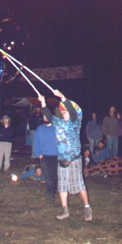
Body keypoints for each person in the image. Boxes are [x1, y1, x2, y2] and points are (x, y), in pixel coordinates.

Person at [40, 90, 92, 221]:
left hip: (74, 160)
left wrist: (62, 96)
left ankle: (87, 208)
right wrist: (43, 103)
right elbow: (49, 116)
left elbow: (72, 111)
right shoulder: (58, 123)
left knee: (79, 185)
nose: (65, 113)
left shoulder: (75, 122)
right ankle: (64, 210)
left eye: (67, 111)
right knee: (62, 185)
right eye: (63, 112)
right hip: (62, 160)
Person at [33, 114, 58, 200]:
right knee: (47, 176)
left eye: (47, 116)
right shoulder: (40, 129)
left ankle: (56, 190)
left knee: (55, 175)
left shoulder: (57, 128)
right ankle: (50, 194)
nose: (45, 117)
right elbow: (36, 142)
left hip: (56, 156)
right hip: (44, 156)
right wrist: (38, 153)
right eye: (44, 116)